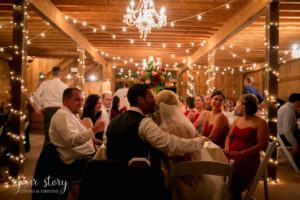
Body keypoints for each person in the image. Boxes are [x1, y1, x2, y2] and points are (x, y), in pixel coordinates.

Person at [49, 88, 106, 180]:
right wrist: (94, 129)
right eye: (77, 99)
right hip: (77, 161)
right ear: (66, 100)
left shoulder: (72, 114)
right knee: (109, 169)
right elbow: (70, 141)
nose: (81, 103)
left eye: (82, 100)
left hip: (85, 156)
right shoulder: (62, 115)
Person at [224, 93, 269, 200]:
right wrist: (226, 147)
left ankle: (233, 194)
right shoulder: (237, 120)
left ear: (245, 106)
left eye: (238, 103)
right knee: (215, 166)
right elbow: (229, 137)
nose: (236, 106)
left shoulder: (260, 122)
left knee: (232, 175)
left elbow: (262, 145)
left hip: (247, 160)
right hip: (231, 155)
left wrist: (242, 153)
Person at [34, 66, 68, 146]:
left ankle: (46, 156)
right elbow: (67, 100)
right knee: (60, 135)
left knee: (48, 135)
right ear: (61, 74)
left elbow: (36, 96)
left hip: (48, 110)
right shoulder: (65, 86)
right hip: (61, 111)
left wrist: (40, 106)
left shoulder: (45, 83)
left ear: (52, 73)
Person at [277, 93, 300, 168]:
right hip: (283, 137)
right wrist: (295, 144)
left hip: (280, 136)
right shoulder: (288, 110)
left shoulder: (284, 107)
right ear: (297, 101)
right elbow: (286, 130)